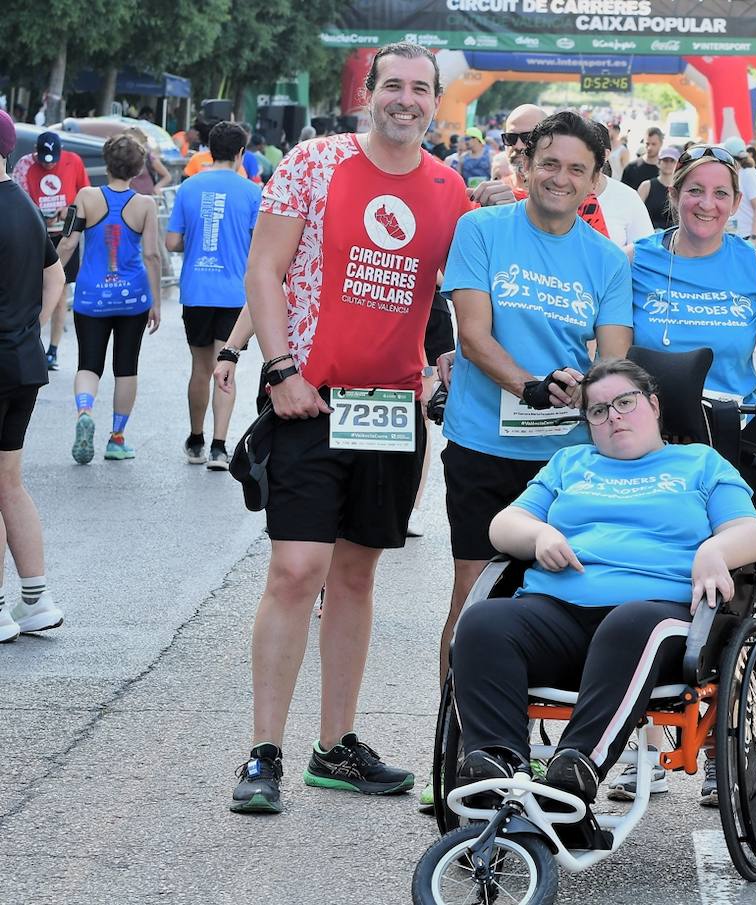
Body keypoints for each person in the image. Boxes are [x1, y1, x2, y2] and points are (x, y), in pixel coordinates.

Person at [228, 42, 484, 816]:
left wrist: (445, 362)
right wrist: (279, 369)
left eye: (421, 89)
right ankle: (262, 750)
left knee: (357, 574)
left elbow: (447, 295)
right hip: (310, 397)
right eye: (393, 85)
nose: (406, 99)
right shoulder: (314, 161)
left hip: (390, 409)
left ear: (436, 102)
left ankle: (335, 744)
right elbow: (264, 269)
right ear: (369, 93)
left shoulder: (450, 190)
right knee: (295, 568)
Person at [450, 358, 756, 803]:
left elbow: (750, 531)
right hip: (557, 615)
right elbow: (504, 524)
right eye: (598, 411)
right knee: (484, 621)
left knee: (631, 623)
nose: (613, 416)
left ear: (654, 405)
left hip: (657, 614)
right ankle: (495, 767)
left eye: (624, 402)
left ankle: (576, 768)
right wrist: (539, 533)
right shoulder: (569, 463)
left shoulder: (700, 463)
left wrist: (715, 550)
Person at [434, 111, 633, 727]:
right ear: (525, 166)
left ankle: (536, 745)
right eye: (549, 163)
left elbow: (614, 356)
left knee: (555, 602)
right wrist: (531, 387)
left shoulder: (606, 261)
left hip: (567, 460)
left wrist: (585, 385)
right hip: (483, 447)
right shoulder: (481, 230)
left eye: (577, 169)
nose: (560, 178)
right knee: (473, 596)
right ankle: (459, 742)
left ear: (596, 182)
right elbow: (472, 335)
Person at [618, 144, 756, 803]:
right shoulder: (639, 261)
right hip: (651, 448)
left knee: (730, 598)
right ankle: (642, 746)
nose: (707, 204)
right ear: (674, 191)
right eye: (696, 191)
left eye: (722, 193)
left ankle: (721, 746)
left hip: (731, 444)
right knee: (640, 589)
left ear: (739, 203)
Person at [56, 134, 162, 464]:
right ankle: (117, 439)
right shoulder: (146, 204)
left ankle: (85, 410)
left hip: (91, 295)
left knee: (89, 363)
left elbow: (68, 243)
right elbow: (152, 256)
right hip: (133, 297)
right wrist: (155, 302)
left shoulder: (85, 197)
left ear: (107, 163)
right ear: (137, 168)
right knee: (126, 367)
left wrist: (51, 275)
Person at [0, 110, 65, 642]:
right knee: (10, 484)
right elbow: (55, 275)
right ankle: (35, 598)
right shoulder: (23, 206)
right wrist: (30, 328)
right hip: (21, 363)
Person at [166, 121, 261, 469]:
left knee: (200, 368)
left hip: (197, 290)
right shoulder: (253, 193)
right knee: (227, 369)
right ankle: (220, 447)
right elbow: (259, 246)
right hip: (234, 293)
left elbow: (172, 242)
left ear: (208, 148)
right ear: (240, 153)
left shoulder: (189, 187)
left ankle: (196, 440)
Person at [12, 130, 89, 370]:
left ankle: (52, 349)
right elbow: (18, 196)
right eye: (45, 159)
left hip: (63, 236)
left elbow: (84, 191)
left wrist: (69, 208)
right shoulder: (25, 165)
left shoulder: (73, 161)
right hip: (37, 233)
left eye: (53, 159)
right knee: (30, 289)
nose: (50, 164)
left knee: (59, 291)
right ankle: (29, 339)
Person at [588, 121, 653, 248]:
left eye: (588, 150)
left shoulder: (628, 198)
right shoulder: (556, 192)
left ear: (605, 154)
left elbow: (645, 253)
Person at [720, 137, 756, 249]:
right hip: (731, 235)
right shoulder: (731, 173)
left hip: (748, 236)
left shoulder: (749, 173)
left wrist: (754, 237)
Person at [637, 143, 680, 232]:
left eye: (672, 161)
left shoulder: (681, 188)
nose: (668, 163)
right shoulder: (646, 186)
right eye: (665, 160)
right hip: (649, 235)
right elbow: (635, 213)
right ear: (658, 162)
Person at [123, 128, 173, 195]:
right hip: (129, 198)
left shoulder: (149, 158)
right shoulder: (122, 159)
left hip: (147, 197)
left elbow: (167, 176)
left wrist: (157, 187)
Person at [621, 125, 663, 190]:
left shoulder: (665, 169)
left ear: (661, 144)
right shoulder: (631, 168)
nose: (649, 148)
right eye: (647, 144)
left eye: (653, 144)